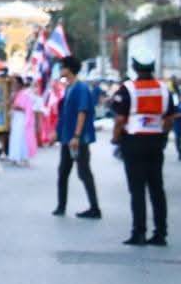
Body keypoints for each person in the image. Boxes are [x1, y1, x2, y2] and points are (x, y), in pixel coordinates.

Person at [110, 60, 178, 246]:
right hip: (155, 143)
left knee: (137, 190)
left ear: (134, 67)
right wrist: (162, 135)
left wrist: (115, 138)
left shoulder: (128, 89)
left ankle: (139, 233)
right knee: (157, 188)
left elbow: (120, 119)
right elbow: (170, 118)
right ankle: (161, 233)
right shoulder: (164, 90)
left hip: (133, 143)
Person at [52, 57, 100, 219]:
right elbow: (64, 115)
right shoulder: (69, 88)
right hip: (67, 138)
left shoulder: (81, 88)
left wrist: (77, 136)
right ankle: (61, 206)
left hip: (77, 139)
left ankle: (95, 208)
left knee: (84, 172)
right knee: (63, 172)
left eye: (62, 67)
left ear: (69, 69)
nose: (60, 70)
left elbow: (82, 112)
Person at [6, 76, 38, 166]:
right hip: (15, 117)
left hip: (22, 117)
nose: (14, 85)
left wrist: (18, 107)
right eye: (13, 83)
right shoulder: (14, 94)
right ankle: (14, 157)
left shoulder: (26, 93)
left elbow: (28, 108)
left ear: (20, 83)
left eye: (16, 83)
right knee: (15, 136)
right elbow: (9, 104)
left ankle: (23, 157)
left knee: (21, 137)